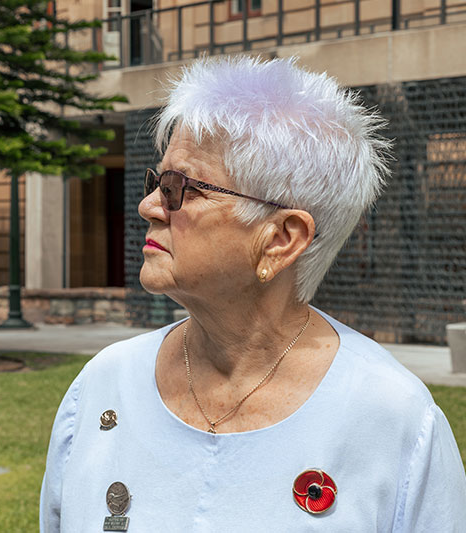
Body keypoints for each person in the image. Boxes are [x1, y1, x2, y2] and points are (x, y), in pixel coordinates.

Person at [40, 56, 466, 532]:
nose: (148, 207)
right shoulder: (104, 386)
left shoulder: (392, 418)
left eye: (180, 188)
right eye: (156, 183)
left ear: (282, 238)